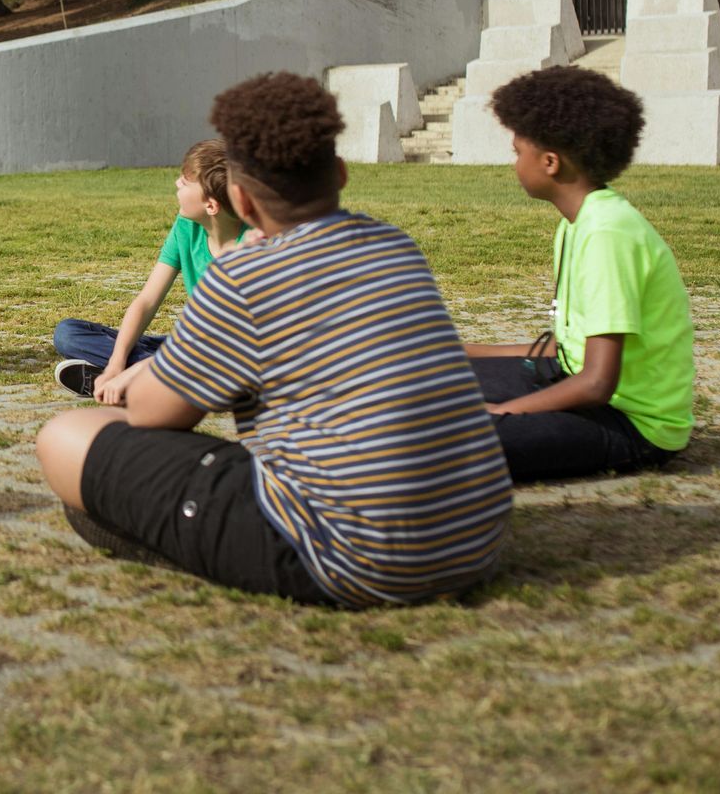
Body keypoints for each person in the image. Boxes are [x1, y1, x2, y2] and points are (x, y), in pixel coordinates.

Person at [35, 73, 512, 607]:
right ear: (341, 172)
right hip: (477, 540)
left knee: (66, 437)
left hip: (357, 558)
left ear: (238, 196)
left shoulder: (244, 275)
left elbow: (151, 414)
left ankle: (190, 543)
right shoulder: (395, 247)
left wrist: (144, 371)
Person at [464, 65, 695, 482]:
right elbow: (568, 349)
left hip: (630, 424)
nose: (514, 163)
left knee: (435, 441)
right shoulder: (580, 220)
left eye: (518, 152)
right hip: (573, 382)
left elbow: (597, 383)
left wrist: (501, 412)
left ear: (550, 162)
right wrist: (465, 351)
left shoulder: (608, 233)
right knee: (428, 383)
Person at [51, 139, 248, 402]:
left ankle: (155, 381)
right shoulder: (187, 227)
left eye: (186, 182)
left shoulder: (253, 250)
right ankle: (163, 377)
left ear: (211, 205)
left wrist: (132, 372)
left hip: (231, 356)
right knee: (68, 334)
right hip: (191, 349)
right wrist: (116, 364)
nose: (177, 183)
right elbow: (146, 301)